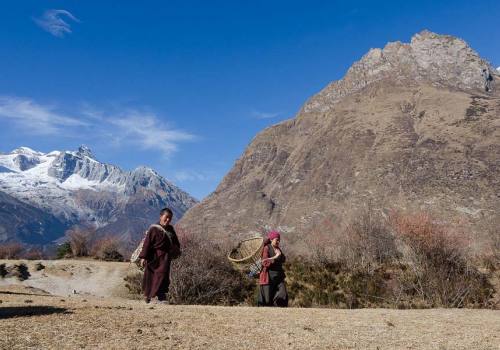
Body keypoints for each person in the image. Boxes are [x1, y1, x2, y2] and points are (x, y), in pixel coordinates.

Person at [139, 207, 180, 304]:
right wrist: (143, 257)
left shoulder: (170, 229)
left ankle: (160, 296)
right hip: (153, 257)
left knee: (163, 276)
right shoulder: (153, 229)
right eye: (166, 217)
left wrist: (175, 250)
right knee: (151, 277)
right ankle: (150, 296)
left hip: (165, 258)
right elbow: (147, 243)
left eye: (170, 218)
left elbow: (176, 243)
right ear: (161, 216)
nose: (168, 220)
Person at [258, 231, 288, 307]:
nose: (278, 241)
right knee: (267, 300)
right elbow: (264, 262)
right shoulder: (266, 248)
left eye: (279, 240)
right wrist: (275, 258)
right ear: (271, 239)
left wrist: (280, 255)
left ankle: (280, 310)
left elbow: (283, 259)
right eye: (276, 239)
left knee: (282, 292)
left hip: (279, 277)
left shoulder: (278, 249)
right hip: (268, 276)